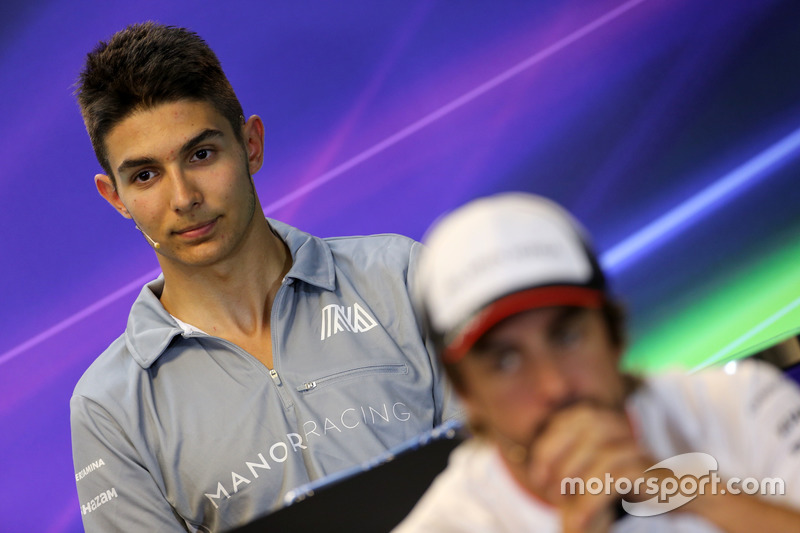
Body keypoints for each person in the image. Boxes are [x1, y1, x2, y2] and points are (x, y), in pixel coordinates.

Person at [69, 22, 460, 532]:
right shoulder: (109, 407)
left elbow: (513, 471)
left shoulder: (402, 278)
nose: (184, 197)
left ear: (250, 144)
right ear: (115, 196)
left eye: (201, 154)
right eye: (145, 175)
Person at [394, 192, 800, 532]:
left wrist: (692, 495)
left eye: (567, 336)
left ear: (613, 334)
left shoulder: (741, 402)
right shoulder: (446, 524)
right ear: (466, 390)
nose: (555, 385)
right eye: (505, 362)